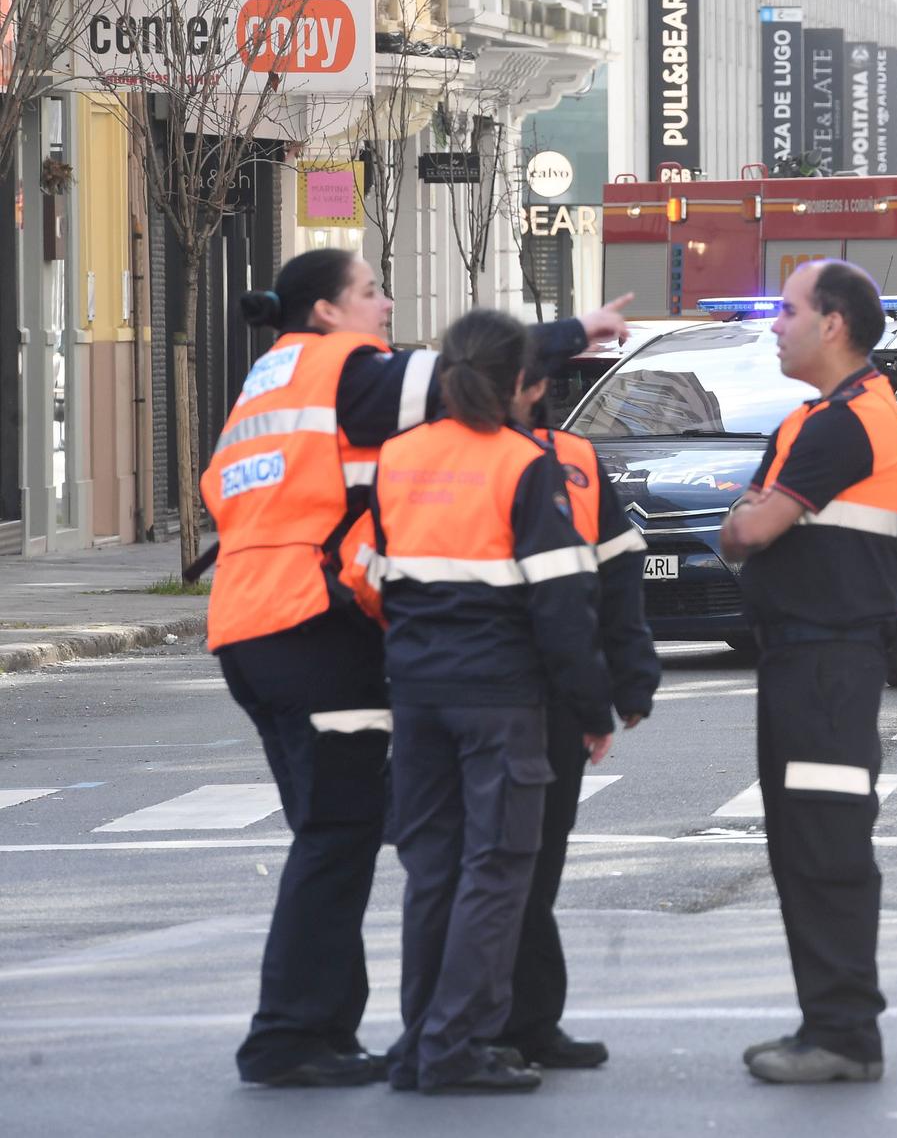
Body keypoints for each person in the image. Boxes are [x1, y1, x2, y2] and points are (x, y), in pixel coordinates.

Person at [200, 248, 626, 1088]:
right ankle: (292, 1036)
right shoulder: (345, 369)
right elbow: (468, 370)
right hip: (311, 625)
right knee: (337, 837)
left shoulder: (270, 378)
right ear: (325, 310)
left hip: (249, 623)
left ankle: (319, 1029)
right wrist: (580, 329)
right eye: (370, 291)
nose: (386, 305)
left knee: (337, 833)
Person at [367, 310, 616, 1095]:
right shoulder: (522, 463)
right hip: (499, 695)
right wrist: (589, 708)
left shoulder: (398, 457)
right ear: (518, 382)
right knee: (499, 870)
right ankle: (454, 1047)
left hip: (418, 692)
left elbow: (372, 572)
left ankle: (419, 1043)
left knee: (432, 873)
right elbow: (560, 604)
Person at [720, 260, 897, 1085]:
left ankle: (843, 1034)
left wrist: (745, 519)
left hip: (828, 659)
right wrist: (749, 516)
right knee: (803, 844)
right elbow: (752, 516)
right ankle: (828, 1025)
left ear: (832, 324)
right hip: (809, 656)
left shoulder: (842, 421)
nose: (774, 325)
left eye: (788, 311)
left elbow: (750, 529)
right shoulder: (829, 414)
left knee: (825, 845)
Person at [495, 409, 664, 1071]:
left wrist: (627, 684)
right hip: (511, 693)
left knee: (516, 867)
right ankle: (495, 1023)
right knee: (503, 868)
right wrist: (618, 690)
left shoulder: (573, 460)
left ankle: (518, 1021)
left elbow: (615, 576)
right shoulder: (441, 454)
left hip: (498, 693)